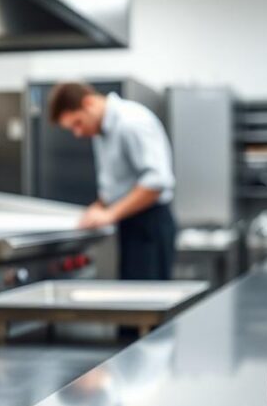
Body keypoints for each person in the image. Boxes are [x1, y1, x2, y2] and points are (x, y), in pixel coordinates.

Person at [47, 82, 176, 281]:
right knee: (131, 292)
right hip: (129, 222)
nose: (78, 133)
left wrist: (110, 214)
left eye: (77, 123)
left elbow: (156, 182)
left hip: (150, 225)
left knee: (146, 295)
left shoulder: (131, 122)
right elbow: (119, 183)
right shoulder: (102, 131)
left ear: (88, 103)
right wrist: (99, 206)